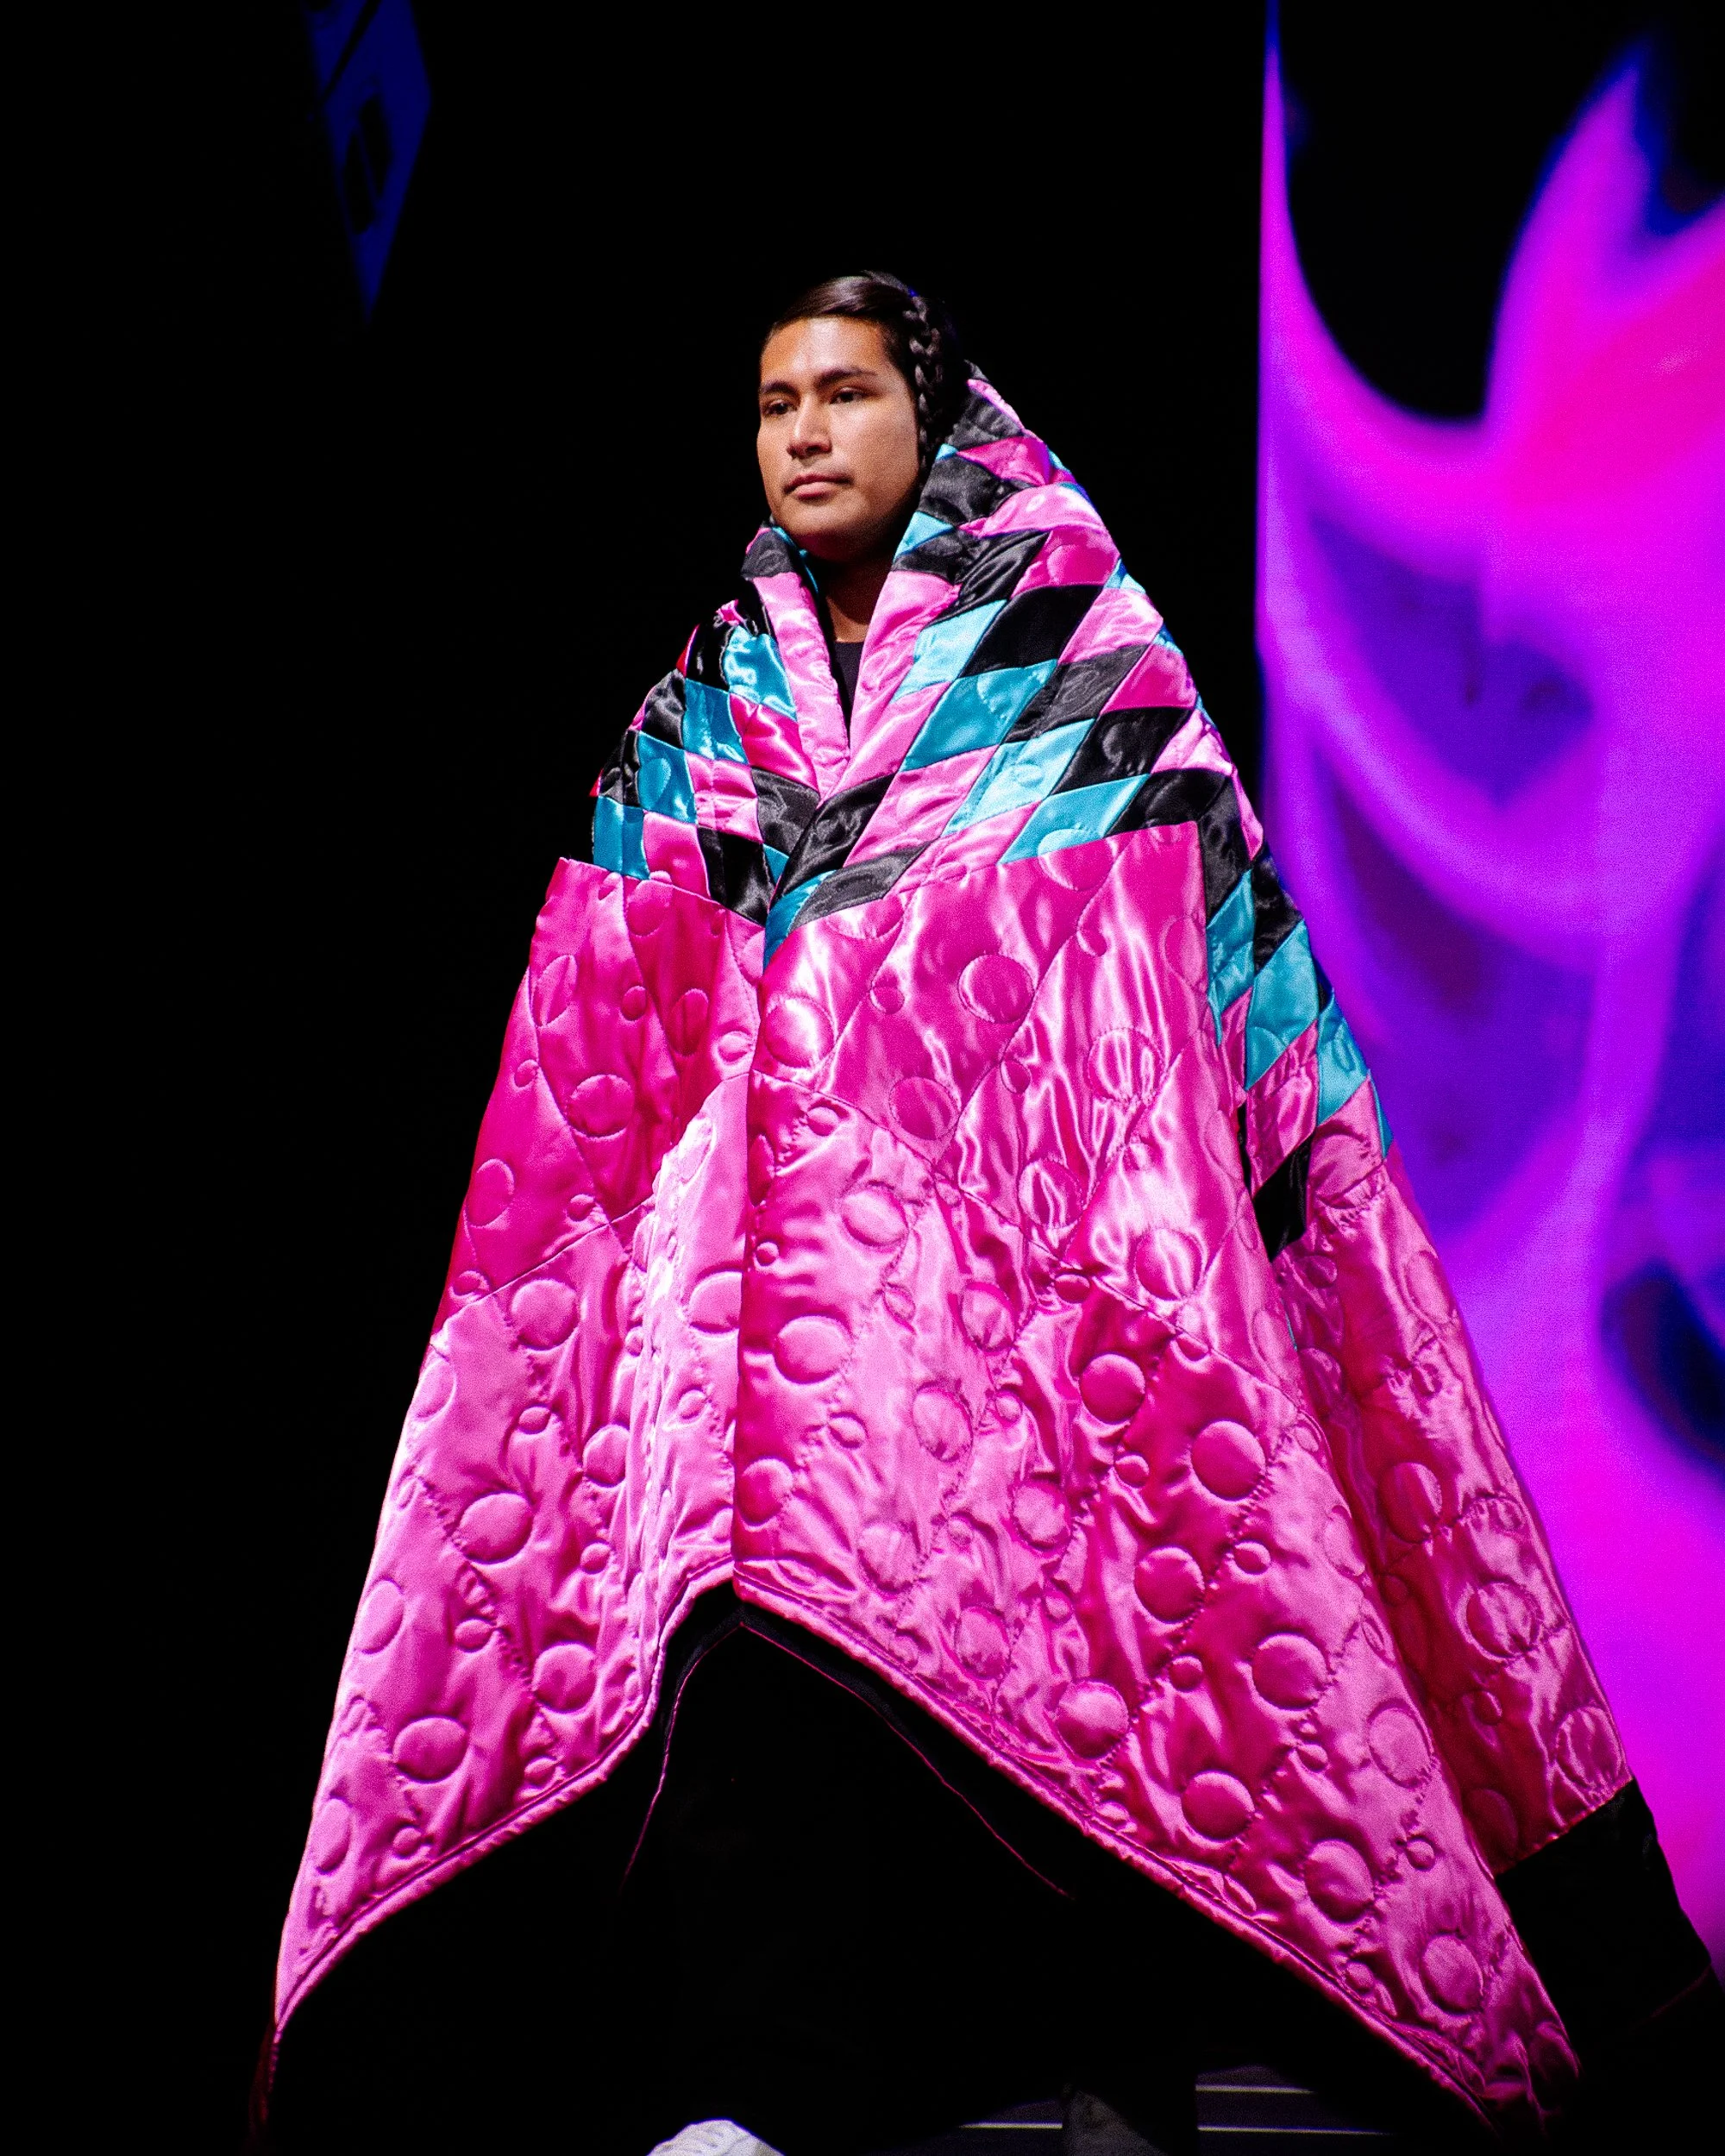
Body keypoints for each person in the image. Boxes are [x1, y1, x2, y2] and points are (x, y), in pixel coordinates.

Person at [260, 274, 1716, 2155]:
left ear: (929, 419)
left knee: (1128, 1684)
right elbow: (608, 1008)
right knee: (745, 1630)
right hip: (759, 1310)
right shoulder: (704, 714)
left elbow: (1177, 978)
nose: (797, 431)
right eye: (772, 398)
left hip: (1045, 1282)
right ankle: (757, 2086)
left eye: (843, 394)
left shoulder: (1075, 666)